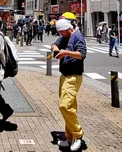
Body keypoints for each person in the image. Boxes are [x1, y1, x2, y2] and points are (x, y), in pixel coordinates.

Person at [51, 18, 87, 151]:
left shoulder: (78, 37)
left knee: (64, 106)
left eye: (61, 32)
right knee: (70, 108)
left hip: (74, 76)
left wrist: (65, 52)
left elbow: (82, 54)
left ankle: (78, 134)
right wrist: (55, 50)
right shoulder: (64, 37)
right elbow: (54, 44)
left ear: (67, 29)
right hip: (64, 76)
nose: (60, 35)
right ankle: (70, 138)